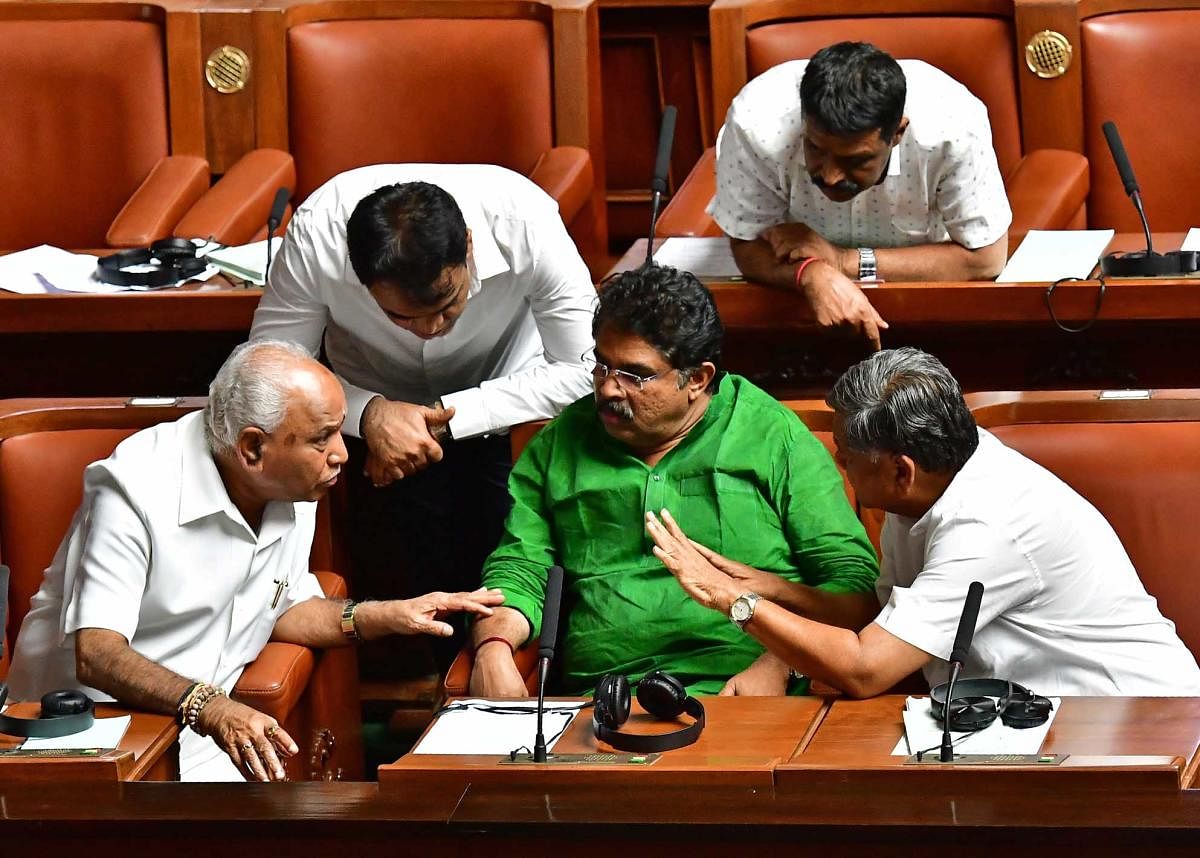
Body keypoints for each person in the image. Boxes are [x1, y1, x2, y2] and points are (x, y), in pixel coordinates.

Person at [6, 340, 504, 781]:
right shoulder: (135, 486)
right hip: (91, 742)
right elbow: (97, 652)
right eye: (322, 438)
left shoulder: (295, 482)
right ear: (252, 448)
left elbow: (280, 605)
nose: (342, 455)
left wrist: (388, 615)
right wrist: (211, 707)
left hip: (209, 738)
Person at [647, 347, 1200, 697]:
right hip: (1020, 717)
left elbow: (866, 669)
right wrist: (770, 589)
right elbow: (883, 610)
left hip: (1130, 721)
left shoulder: (986, 526)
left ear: (900, 470)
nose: (837, 464)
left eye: (845, 455)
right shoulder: (936, 468)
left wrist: (735, 603)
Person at [468, 264, 879, 698]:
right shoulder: (560, 443)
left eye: (634, 375)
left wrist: (785, 663)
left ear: (698, 379)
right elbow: (520, 568)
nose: (608, 389)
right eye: (602, 366)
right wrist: (493, 648)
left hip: (747, 695)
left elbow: (851, 586)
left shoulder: (772, 435)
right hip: (602, 701)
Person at [249, 165, 594, 666]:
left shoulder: (524, 218)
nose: (430, 330)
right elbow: (269, 371)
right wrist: (370, 414)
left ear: (469, 246)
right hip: (365, 425)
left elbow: (586, 369)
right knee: (388, 592)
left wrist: (445, 417)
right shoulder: (319, 234)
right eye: (401, 318)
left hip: (508, 408)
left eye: (447, 304)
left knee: (510, 556)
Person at [712, 41, 1012, 349]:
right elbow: (746, 245)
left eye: (854, 160)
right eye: (815, 149)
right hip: (792, 318)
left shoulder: (954, 127)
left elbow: (985, 260)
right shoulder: (756, 123)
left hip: (927, 310)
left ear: (897, 133)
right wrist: (809, 273)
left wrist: (843, 262)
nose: (829, 176)